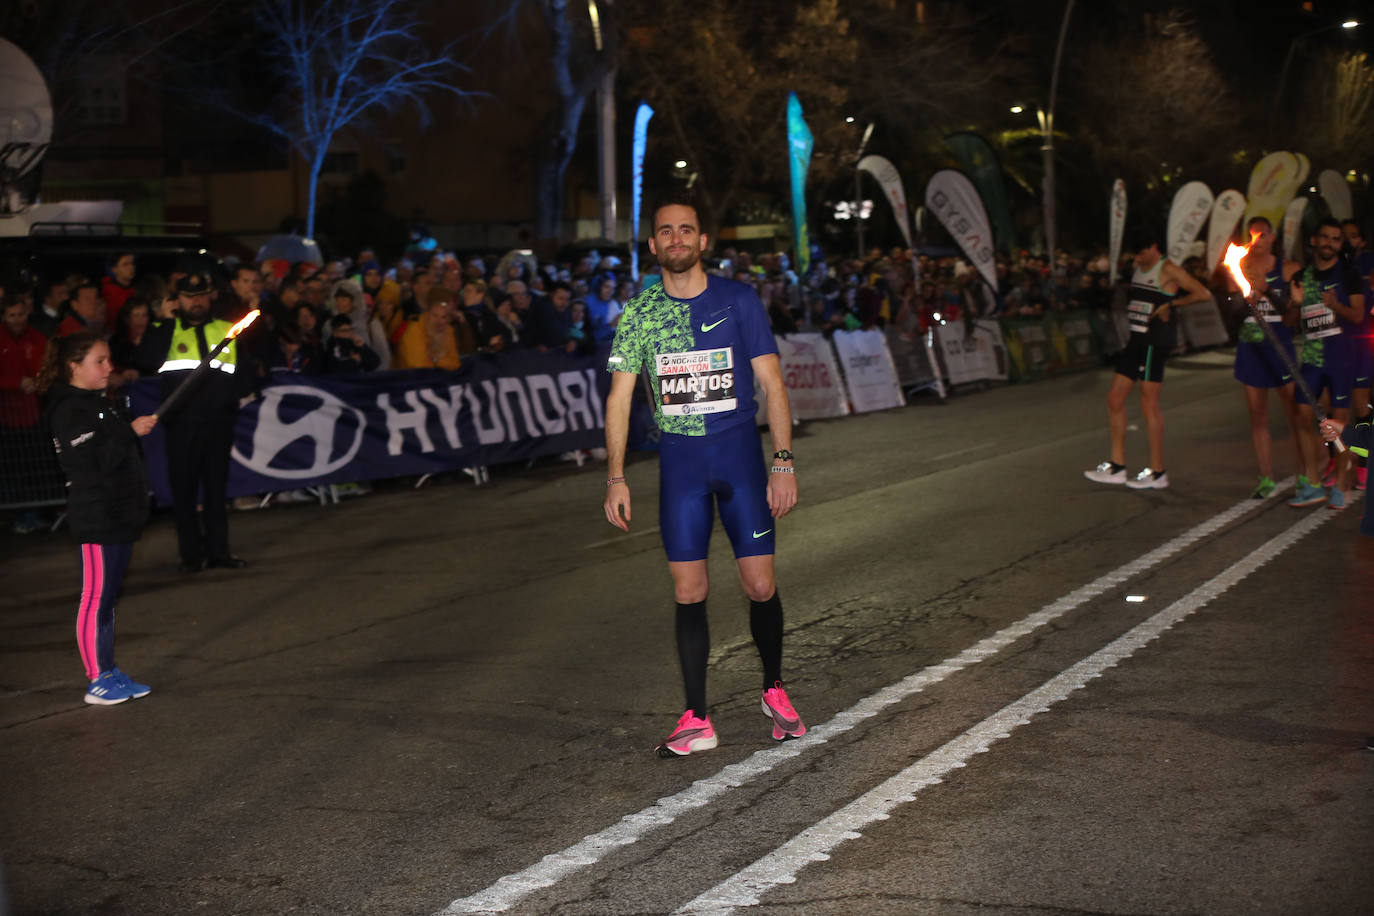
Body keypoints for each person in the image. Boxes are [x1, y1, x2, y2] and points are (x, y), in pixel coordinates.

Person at [602, 193, 804, 758]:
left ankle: (773, 688)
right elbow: (619, 398)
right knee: (689, 590)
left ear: (703, 241)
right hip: (682, 466)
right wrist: (616, 477)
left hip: (739, 457)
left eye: (686, 230)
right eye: (666, 231)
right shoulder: (640, 313)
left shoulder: (739, 300)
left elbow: (773, 386)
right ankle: (696, 716)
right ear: (653, 245)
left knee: (759, 585)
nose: (676, 239)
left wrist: (782, 462)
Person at [39, 330, 158, 705]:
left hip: (119, 513)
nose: (109, 368)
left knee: (108, 599)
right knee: (95, 599)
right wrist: (129, 432)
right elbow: (89, 462)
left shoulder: (94, 403)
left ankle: (108, 670)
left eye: (108, 360)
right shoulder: (69, 409)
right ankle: (96, 679)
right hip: (97, 517)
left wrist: (126, 434)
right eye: (99, 361)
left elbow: (112, 452)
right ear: (74, 366)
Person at [139, 273, 250, 572]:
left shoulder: (227, 328)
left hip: (218, 423)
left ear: (210, 295)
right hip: (182, 424)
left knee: (216, 490)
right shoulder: (166, 330)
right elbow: (146, 360)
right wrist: (163, 322)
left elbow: (246, 368)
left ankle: (219, 552)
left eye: (201, 295)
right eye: (190, 296)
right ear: (178, 300)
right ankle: (191, 556)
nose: (196, 301)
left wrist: (233, 398)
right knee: (184, 492)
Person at [1084, 228, 1211, 489]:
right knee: (1114, 399)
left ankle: (1157, 471)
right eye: (1135, 254)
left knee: (1148, 402)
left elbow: (1203, 293)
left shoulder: (1169, 269)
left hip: (1156, 341)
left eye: (1141, 253)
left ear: (1153, 246)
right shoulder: (1138, 266)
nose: (1137, 258)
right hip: (1136, 339)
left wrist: (1172, 305)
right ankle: (1117, 466)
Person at [1287, 219, 1366, 510]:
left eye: (1335, 239)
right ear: (1314, 240)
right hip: (1311, 360)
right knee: (1301, 416)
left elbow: (1358, 316)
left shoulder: (1349, 275)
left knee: (1339, 424)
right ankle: (1313, 484)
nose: (1330, 243)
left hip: (1341, 359)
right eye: (1325, 237)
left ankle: (1342, 487)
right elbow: (1289, 323)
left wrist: (1336, 305)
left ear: (1339, 245)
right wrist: (1295, 304)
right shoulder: (1300, 277)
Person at [1224, 217, 1303, 499]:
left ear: (1272, 237)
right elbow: (1233, 314)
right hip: (1251, 348)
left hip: (1280, 346)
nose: (1257, 240)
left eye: (1263, 235)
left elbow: (1293, 316)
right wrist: (1249, 302)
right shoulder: (1239, 267)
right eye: (1253, 235)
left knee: (1295, 412)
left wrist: (1268, 291)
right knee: (1258, 415)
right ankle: (1266, 478)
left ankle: (1305, 473)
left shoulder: (1288, 268)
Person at [1342, 219, 1374, 490]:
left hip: (1366, 341)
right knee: (1342, 408)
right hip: (1342, 344)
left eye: (1353, 236)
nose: (1348, 241)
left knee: (1363, 405)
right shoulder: (1337, 268)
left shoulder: (1369, 263)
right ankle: (1342, 462)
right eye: (1344, 237)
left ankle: (1364, 465)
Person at [395, 286, 462, 370]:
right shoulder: (414, 329)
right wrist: (440, 361)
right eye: (435, 315)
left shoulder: (448, 329)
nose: (439, 321)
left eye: (444, 317)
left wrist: (436, 359)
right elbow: (419, 366)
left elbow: (455, 364)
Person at [100, 251, 137, 329]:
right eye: (125, 264)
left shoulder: (135, 290)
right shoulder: (107, 292)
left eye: (132, 263)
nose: (131, 267)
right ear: (114, 269)